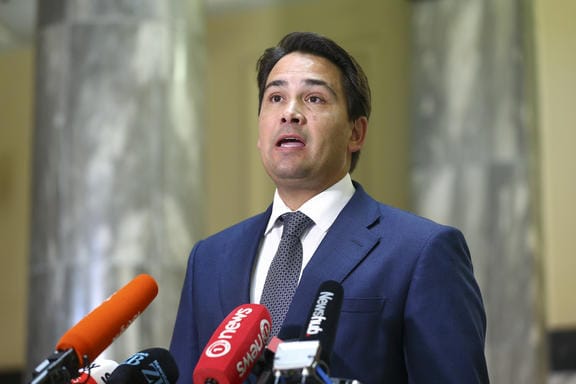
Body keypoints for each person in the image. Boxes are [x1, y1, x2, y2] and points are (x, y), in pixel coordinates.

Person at [170, 31, 489, 383]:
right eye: (275, 97)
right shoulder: (209, 259)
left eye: (314, 99)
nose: (290, 113)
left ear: (356, 133)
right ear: (260, 134)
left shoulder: (421, 251)